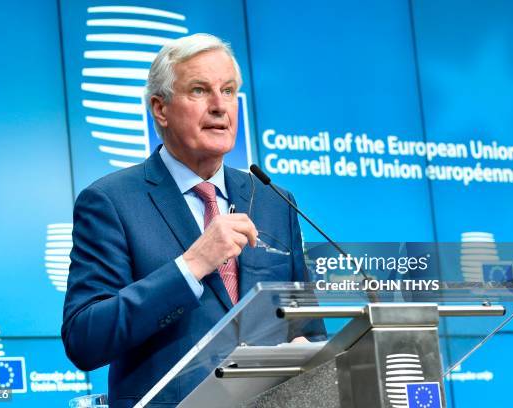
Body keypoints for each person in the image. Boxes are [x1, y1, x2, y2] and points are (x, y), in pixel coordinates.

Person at [62, 33, 321, 408]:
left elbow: (307, 329)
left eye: (229, 91)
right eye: (200, 90)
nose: (220, 106)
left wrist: (306, 351)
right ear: (160, 109)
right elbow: (85, 339)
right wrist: (192, 265)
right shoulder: (111, 202)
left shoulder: (273, 201)